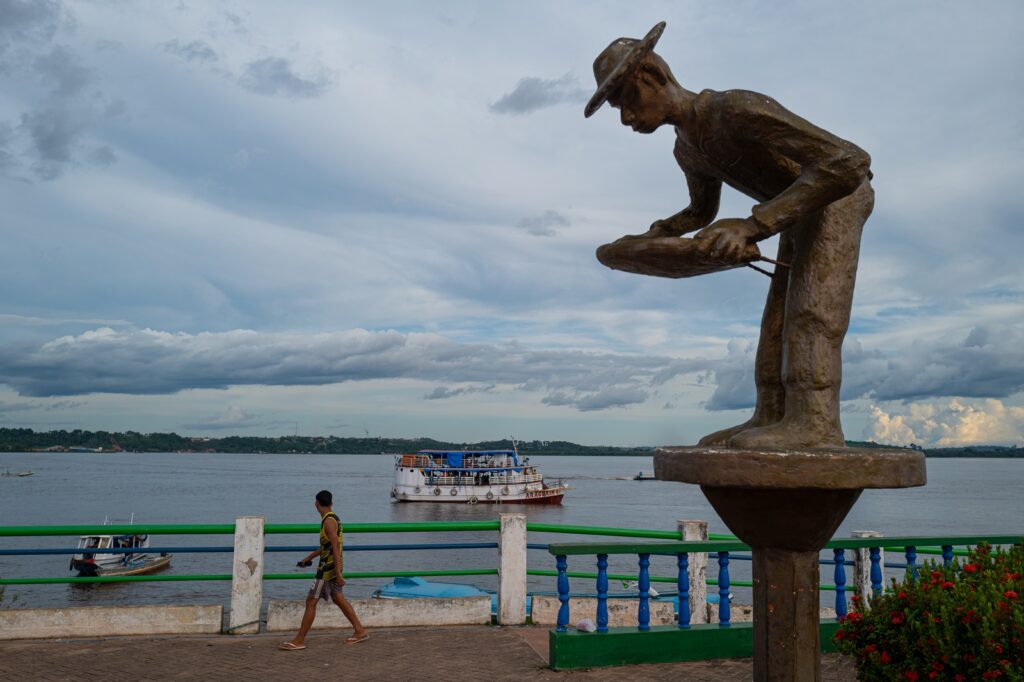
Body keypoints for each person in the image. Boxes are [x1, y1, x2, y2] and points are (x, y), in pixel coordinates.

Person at [587, 22, 873, 449]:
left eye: (625, 100)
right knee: (776, 320)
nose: (626, 118)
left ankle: (815, 424)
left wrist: (754, 225)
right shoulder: (686, 149)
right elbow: (702, 212)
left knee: (811, 310)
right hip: (794, 214)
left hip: (836, 199)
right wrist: (656, 236)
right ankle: (772, 414)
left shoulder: (733, 109)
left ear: (651, 75)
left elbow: (849, 162)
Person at [279, 490, 369, 650]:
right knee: (338, 598)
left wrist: (338, 573)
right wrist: (310, 557)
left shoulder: (328, 522)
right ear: (331, 503)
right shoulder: (334, 518)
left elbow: (335, 547)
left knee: (311, 601)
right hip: (333, 566)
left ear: (316, 504)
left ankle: (299, 640)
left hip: (327, 569)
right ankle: (360, 630)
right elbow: (327, 546)